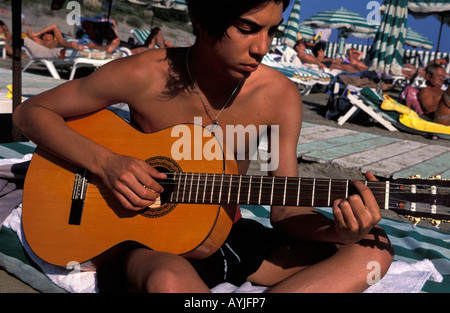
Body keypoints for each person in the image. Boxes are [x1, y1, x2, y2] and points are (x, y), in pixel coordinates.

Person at [13, 0, 393, 293]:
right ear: (202, 17)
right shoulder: (144, 74)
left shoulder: (279, 96)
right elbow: (31, 113)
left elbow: (286, 209)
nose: (262, 47)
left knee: (374, 247)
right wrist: (106, 162)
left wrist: (339, 233)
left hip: (224, 238)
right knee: (167, 280)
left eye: (272, 31)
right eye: (247, 28)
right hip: (145, 242)